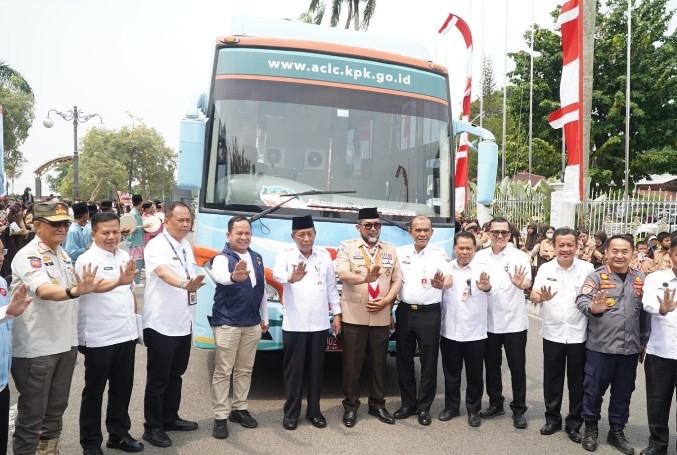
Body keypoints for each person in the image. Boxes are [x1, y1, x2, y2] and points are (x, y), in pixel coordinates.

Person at [10, 202, 101, 455]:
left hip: (65, 342)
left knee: (55, 411)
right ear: (37, 225)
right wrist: (74, 291)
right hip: (37, 347)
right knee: (32, 416)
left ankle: (49, 451)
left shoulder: (61, 253)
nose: (62, 228)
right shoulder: (29, 255)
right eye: (55, 224)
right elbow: (44, 290)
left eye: (65, 224)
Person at [76, 212, 143, 455]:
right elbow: (95, 287)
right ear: (94, 233)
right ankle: (91, 443)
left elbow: (130, 291)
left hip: (125, 333)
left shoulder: (124, 255)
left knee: (122, 388)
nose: (112, 236)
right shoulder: (86, 259)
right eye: (105, 232)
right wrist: (118, 281)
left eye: (115, 231)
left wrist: (136, 323)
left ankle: (118, 434)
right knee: (94, 392)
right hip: (99, 336)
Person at [576, 234, 648, 454]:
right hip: (601, 347)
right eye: (614, 251)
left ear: (633, 253)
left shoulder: (641, 279)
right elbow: (582, 299)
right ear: (606, 252)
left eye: (625, 251)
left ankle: (616, 430)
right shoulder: (596, 277)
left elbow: (645, 313)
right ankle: (591, 429)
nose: (619, 255)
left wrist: (643, 341)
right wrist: (593, 308)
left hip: (629, 349)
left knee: (623, 393)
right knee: (593, 391)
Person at [141, 201, 205, 448]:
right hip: (161, 323)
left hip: (183, 322)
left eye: (188, 220)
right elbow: (162, 272)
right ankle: (152, 427)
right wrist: (183, 284)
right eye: (181, 220)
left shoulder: (186, 246)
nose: (186, 224)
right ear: (166, 221)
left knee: (176, 375)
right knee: (158, 379)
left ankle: (170, 418)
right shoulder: (156, 245)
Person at [335, 207, 402, 427]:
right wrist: (365, 278)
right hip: (354, 316)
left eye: (377, 224)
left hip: (381, 314)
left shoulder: (390, 249)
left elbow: (397, 280)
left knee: (379, 364)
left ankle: (377, 405)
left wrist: (387, 302)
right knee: (352, 366)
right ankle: (350, 407)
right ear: (359, 227)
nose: (373, 229)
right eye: (368, 225)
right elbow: (343, 274)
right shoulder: (347, 247)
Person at [272, 215, 340, 431]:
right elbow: (277, 274)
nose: (306, 238)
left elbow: (331, 287)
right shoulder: (285, 254)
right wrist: (291, 278)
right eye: (301, 235)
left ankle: (314, 412)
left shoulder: (324, 256)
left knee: (316, 370)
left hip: (319, 323)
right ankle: (291, 413)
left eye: (309, 234)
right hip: (295, 324)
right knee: (294, 371)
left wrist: (337, 314)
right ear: (293, 236)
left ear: (315, 234)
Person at [530, 227, 594, 444]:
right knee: (552, 380)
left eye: (570, 245)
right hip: (553, 333)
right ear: (554, 246)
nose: (565, 249)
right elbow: (534, 294)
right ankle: (552, 419)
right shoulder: (546, 268)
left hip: (579, 335)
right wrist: (542, 297)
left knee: (577, 382)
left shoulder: (587, 268)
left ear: (577, 246)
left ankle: (574, 424)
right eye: (561, 245)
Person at [209, 216, 269, 439]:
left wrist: (264, 316)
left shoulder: (257, 257)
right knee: (223, 371)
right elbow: (220, 277)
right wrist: (235, 277)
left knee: (245, 369)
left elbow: (262, 289)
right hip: (228, 323)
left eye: (247, 233)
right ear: (229, 235)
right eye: (239, 233)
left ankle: (239, 409)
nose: (244, 237)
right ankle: (220, 416)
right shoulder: (222, 258)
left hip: (251, 323)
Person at [474, 216, 532, 429]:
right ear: (488, 233)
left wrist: (520, 284)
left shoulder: (519, 256)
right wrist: (484, 287)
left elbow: (527, 282)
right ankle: (496, 403)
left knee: (517, 368)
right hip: (488, 322)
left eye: (504, 232)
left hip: (514, 322)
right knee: (492, 366)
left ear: (510, 234)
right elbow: (477, 284)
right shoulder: (479, 257)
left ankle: (519, 409)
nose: (500, 236)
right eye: (495, 232)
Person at [393, 216, 452, 426]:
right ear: (410, 232)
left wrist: (441, 284)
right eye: (418, 230)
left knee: (428, 362)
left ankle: (424, 408)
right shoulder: (400, 253)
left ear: (432, 232)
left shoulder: (439, 254)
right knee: (403, 360)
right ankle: (408, 404)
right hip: (405, 312)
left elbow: (448, 279)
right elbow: (392, 280)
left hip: (429, 314)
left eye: (426, 230)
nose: (422, 234)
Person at [439, 231, 491, 427]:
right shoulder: (445, 268)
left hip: (475, 332)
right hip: (450, 331)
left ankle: (473, 410)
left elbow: (491, 291)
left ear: (475, 249)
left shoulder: (483, 269)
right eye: (461, 248)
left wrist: (486, 287)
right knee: (451, 374)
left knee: (474, 375)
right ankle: (451, 407)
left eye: (469, 248)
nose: (464, 252)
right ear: (454, 248)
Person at [639, 236, 677, 455]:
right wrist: (662, 309)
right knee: (657, 402)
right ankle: (657, 445)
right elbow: (647, 303)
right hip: (660, 352)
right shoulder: (656, 278)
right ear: (670, 255)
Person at [1, 243, 32, 455]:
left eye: (2, 251)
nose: (1, 257)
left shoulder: (1, 282)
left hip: (2, 379)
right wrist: (6, 312)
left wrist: (10, 312)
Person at [128, 195, 148, 285]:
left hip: (138, 241)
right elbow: (131, 227)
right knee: (136, 262)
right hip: (135, 242)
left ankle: (136, 281)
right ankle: (135, 282)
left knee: (138, 262)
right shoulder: (133, 214)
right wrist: (143, 227)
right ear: (140, 202)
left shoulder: (136, 212)